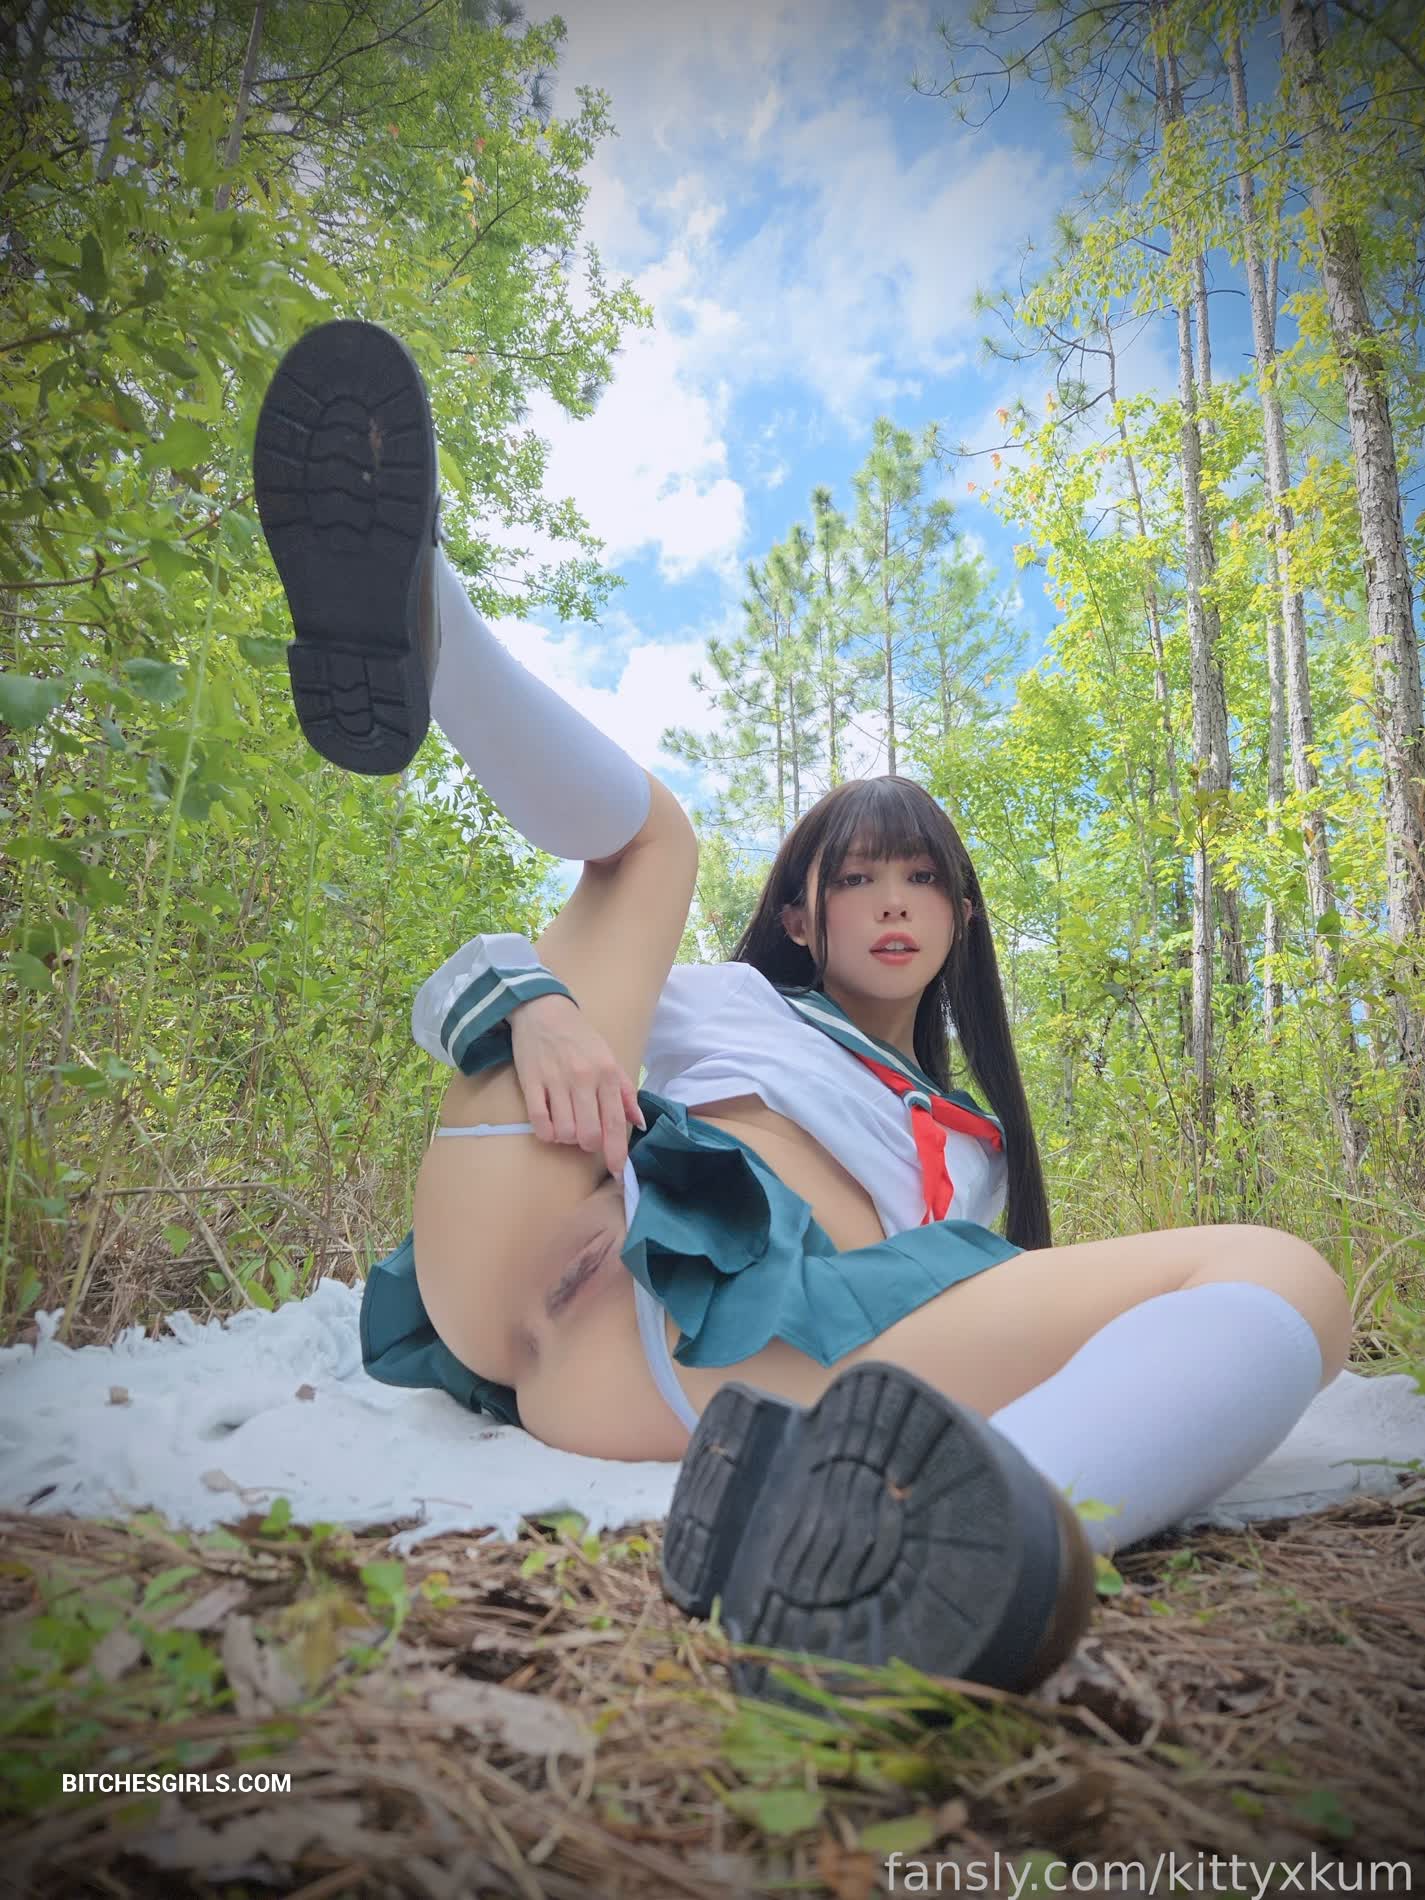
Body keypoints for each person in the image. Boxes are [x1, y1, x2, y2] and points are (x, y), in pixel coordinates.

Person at [253, 320, 1352, 1704]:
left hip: (711, 1367)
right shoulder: (728, 1001)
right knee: (651, 843)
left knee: (1283, 1275)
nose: (892, 903)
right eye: (856, 878)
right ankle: (429, 617)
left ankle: (969, 1550)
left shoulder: (975, 1154)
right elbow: (462, 984)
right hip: (516, 1251)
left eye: (922, 880)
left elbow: (988, 1328)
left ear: (960, 922)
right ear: (800, 916)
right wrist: (528, 1010)